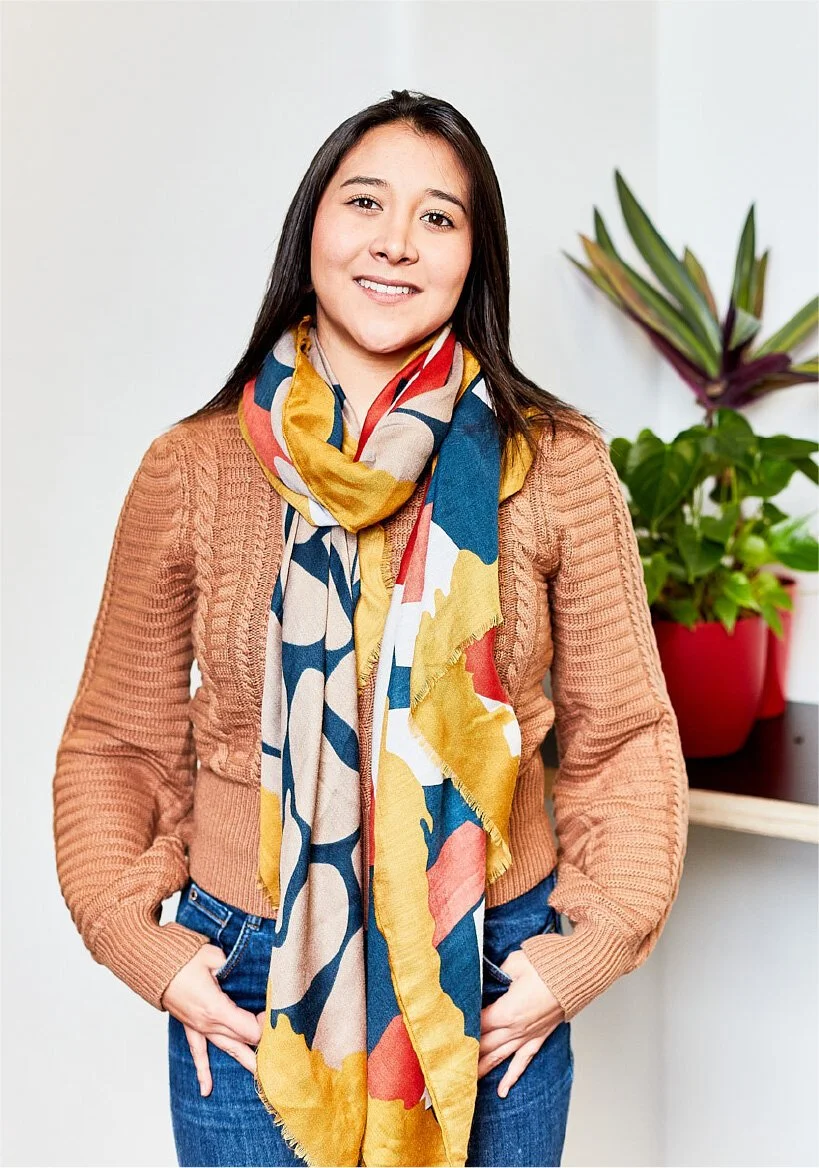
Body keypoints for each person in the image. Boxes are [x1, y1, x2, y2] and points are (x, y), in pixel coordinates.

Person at [52, 89, 689, 1168]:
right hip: (250, 972)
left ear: (473, 258)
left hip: (490, 964)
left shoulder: (558, 464)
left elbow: (625, 735)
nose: (397, 241)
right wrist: (140, 942)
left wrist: (578, 954)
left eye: (438, 216)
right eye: (365, 202)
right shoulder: (192, 468)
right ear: (311, 228)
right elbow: (116, 739)